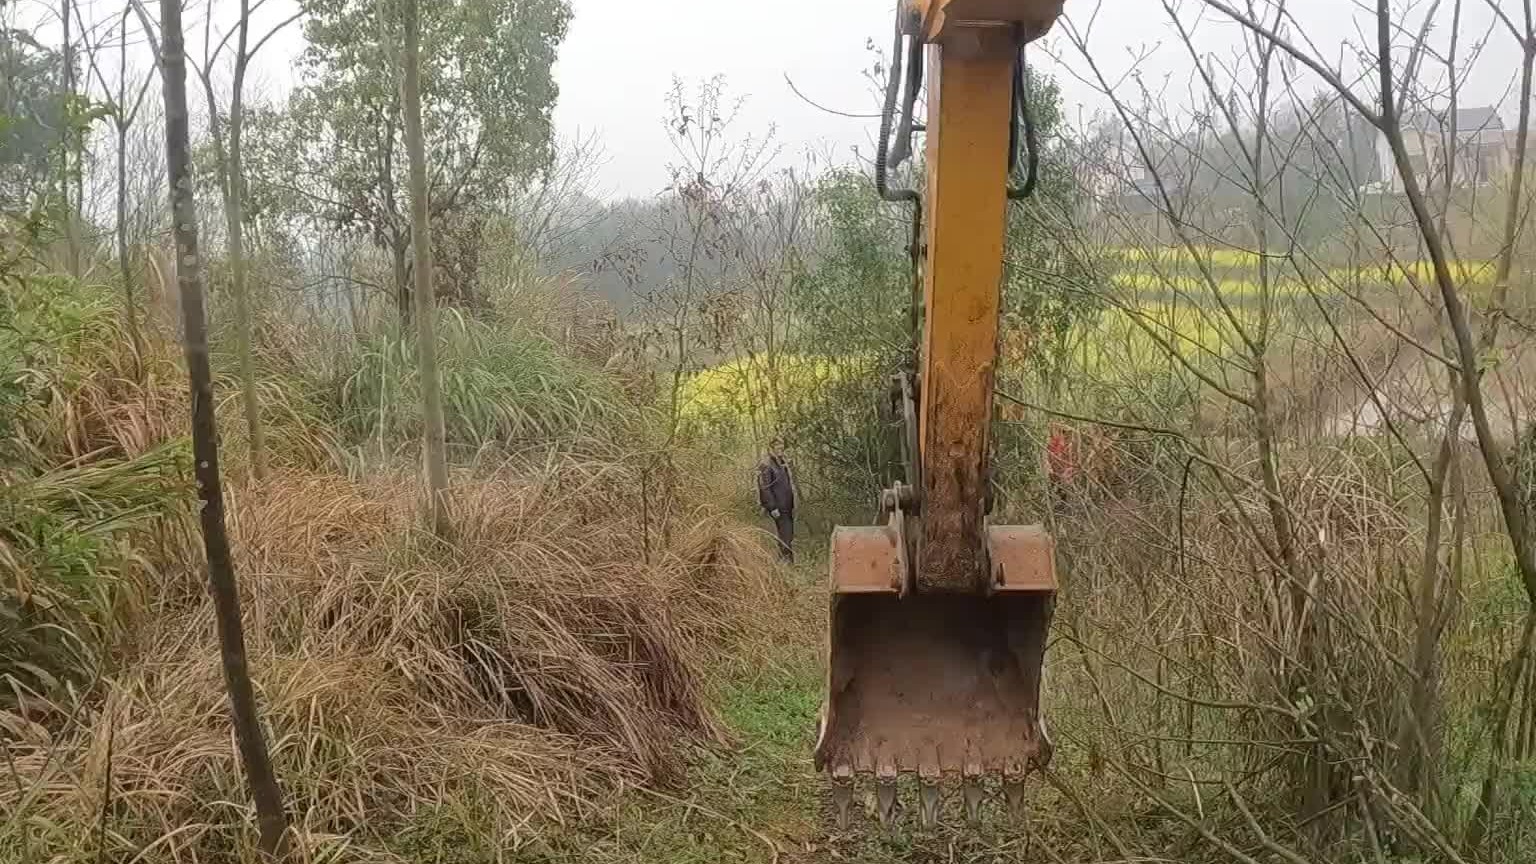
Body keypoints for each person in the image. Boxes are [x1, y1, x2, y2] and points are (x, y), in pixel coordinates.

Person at [757, 437, 797, 563]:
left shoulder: (781, 463)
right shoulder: (767, 464)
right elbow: (765, 488)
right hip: (778, 506)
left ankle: (787, 561)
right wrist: (772, 507)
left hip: (787, 505)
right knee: (785, 533)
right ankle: (784, 562)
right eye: (778, 447)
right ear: (771, 448)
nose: (781, 449)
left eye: (782, 447)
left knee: (788, 533)